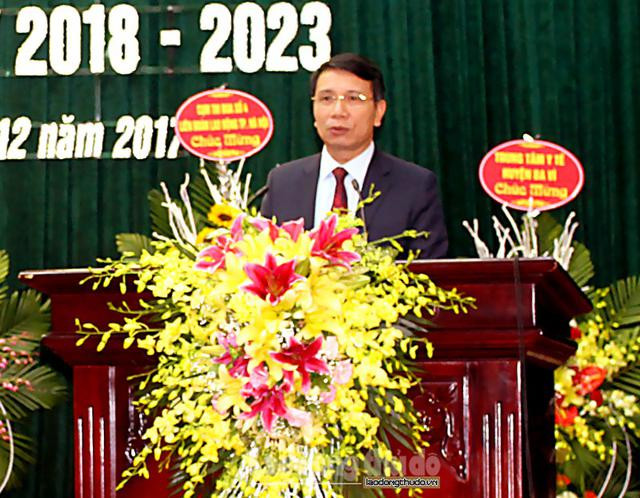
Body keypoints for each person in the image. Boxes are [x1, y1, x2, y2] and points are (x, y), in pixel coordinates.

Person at [260, 53, 448, 258]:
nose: (338, 111)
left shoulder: (415, 186)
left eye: (353, 99)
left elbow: (429, 271)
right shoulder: (283, 183)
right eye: (326, 99)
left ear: (378, 112)